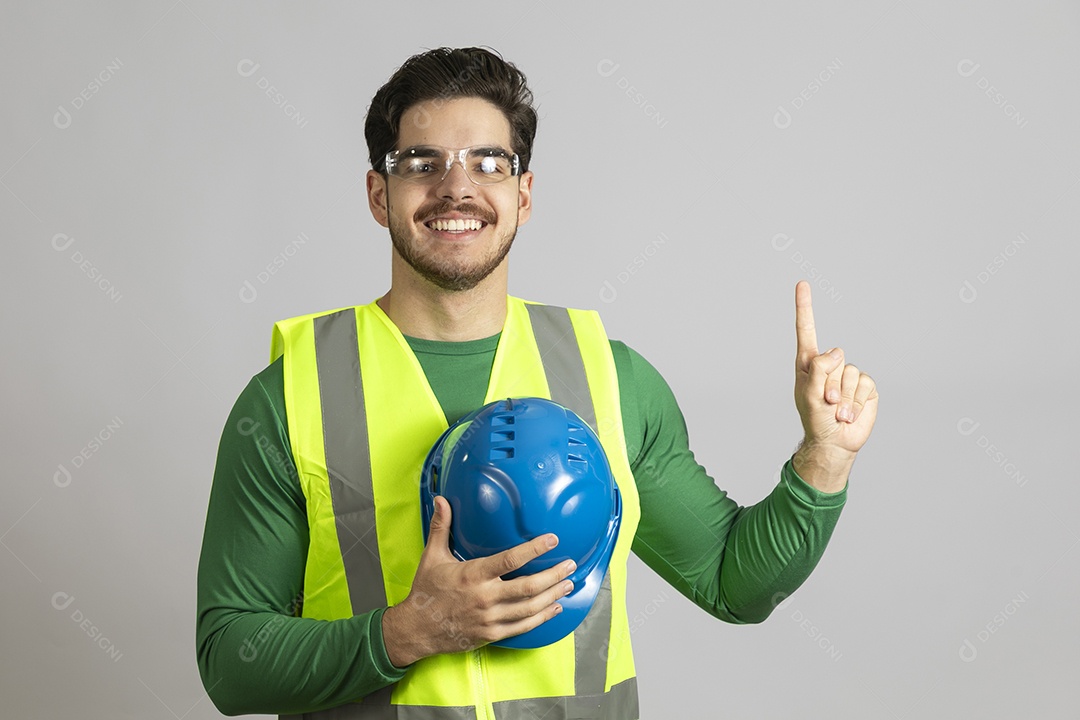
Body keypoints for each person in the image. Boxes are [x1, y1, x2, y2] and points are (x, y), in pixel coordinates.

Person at [196, 46, 878, 719]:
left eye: (489, 163)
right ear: (380, 195)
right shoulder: (291, 397)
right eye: (421, 163)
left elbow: (734, 583)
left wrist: (826, 458)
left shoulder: (613, 379)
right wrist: (410, 632)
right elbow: (230, 661)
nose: (456, 187)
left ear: (523, 195)